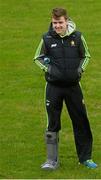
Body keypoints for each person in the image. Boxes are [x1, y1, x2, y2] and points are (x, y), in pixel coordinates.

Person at [34, 7, 97, 170]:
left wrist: (80, 69)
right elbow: (37, 58)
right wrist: (50, 70)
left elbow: (86, 55)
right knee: (53, 124)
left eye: (60, 22)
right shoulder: (46, 38)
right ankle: (51, 160)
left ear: (66, 21)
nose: (57, 26)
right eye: (54, 23)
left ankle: (85, 158)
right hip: (53, 88)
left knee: (81, 121)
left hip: (74, 87)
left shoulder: (78, 36)